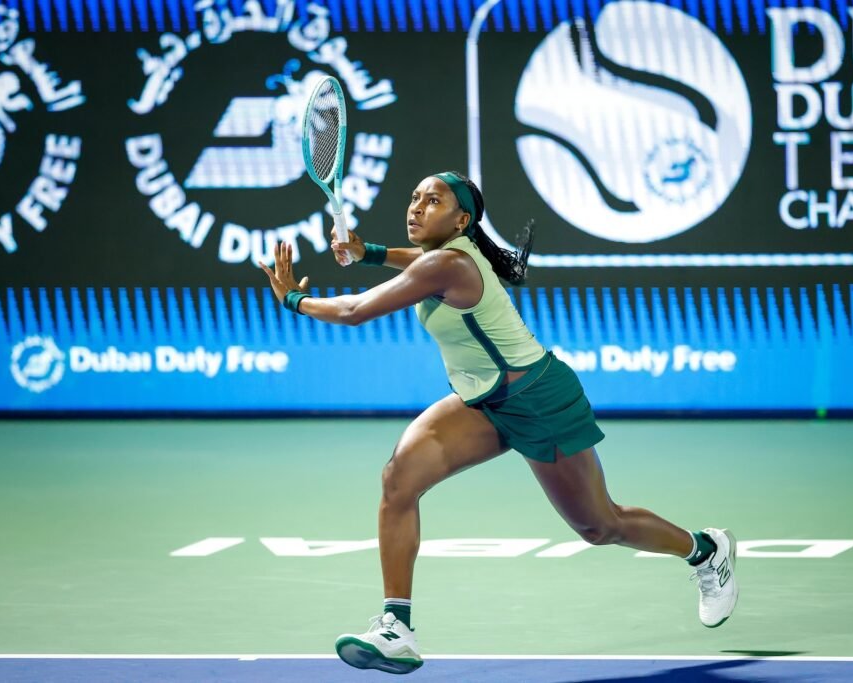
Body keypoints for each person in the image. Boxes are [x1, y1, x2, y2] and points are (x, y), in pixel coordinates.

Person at [258, 171, 738, 675]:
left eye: (433, 200)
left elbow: (355, 309)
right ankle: (395, 627)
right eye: (414, 197)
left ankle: (705, 550)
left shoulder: (449, 264)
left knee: (600, 525)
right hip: (481, 401)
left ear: (461, 220)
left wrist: (294, 299)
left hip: (539, 401)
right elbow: (416, 262)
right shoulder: (448, 257)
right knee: (398, 480)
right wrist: (369, 252)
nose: (417, 207)